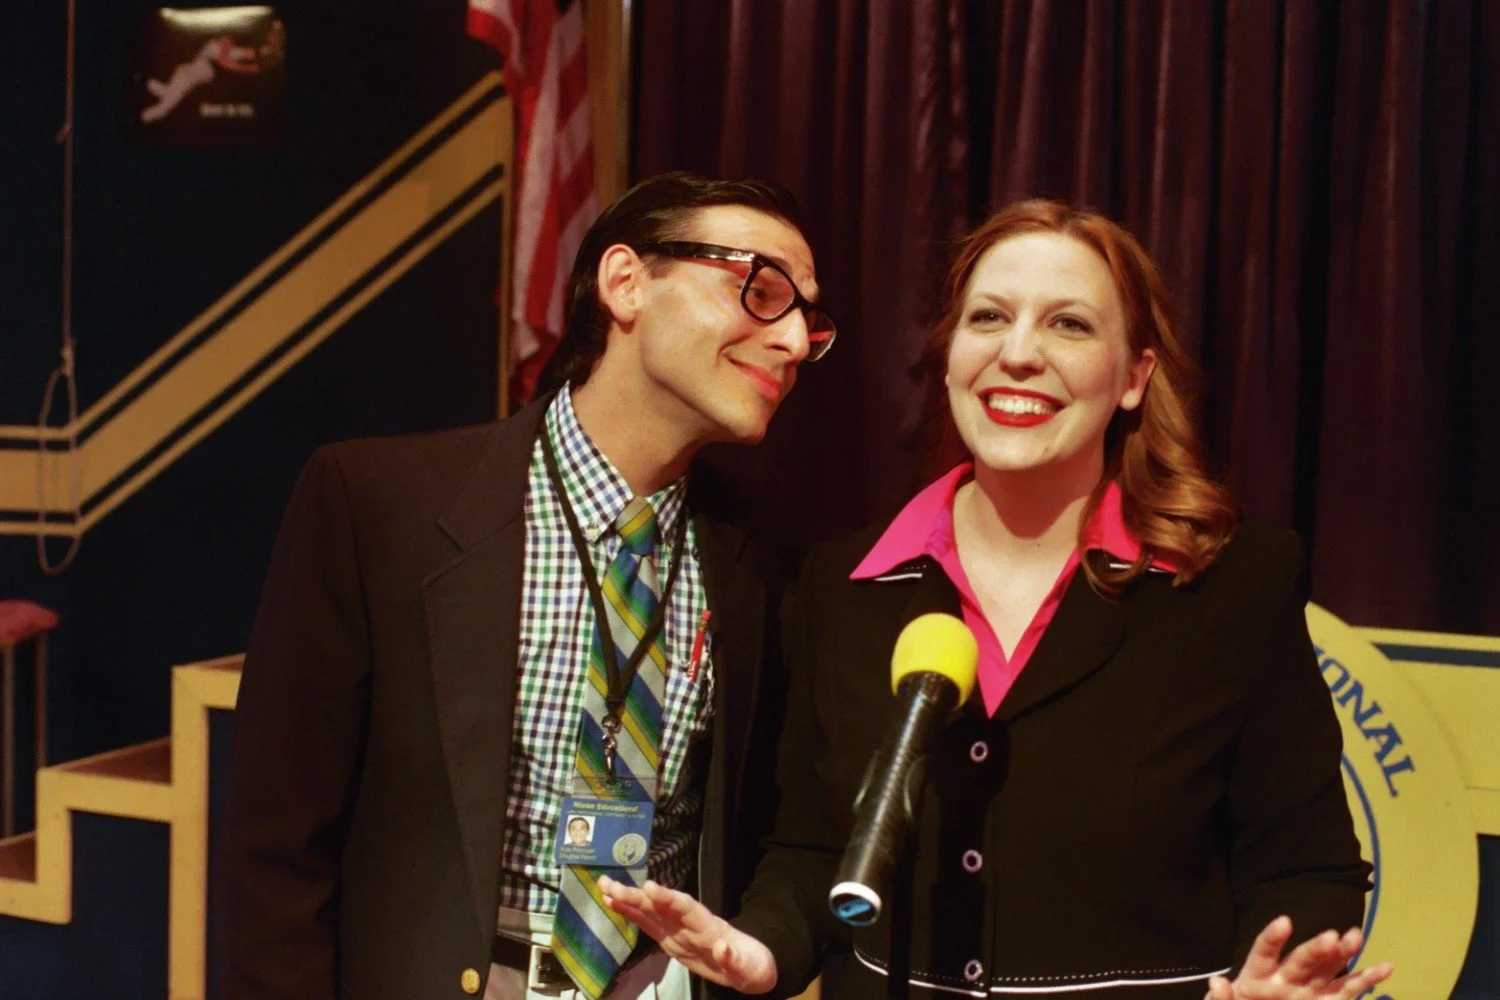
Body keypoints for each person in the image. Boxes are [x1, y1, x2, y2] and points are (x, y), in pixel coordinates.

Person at [600, 200, 1394, 999]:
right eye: (989, 318)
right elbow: (808, 852)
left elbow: (1305, 867)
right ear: (949, 358)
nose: (1018, 354)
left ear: (1134, 378)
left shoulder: (1234, 585)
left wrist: (1281, 977)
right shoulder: (842, 585)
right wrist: (765, 951)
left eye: (1069, 326)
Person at [219, 172, 836, 1000]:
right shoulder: (378, 507)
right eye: (759, 291)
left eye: (807, 317)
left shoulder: (762, 558)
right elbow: (275, 856)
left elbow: (778, 836)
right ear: (626, 283)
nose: (794, 339)